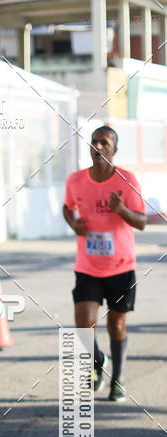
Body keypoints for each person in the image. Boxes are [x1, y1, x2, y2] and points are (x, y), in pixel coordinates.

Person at [63, 125, 147, 402]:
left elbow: (142, 222)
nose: (98, 147)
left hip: (121, 266)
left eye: (105, 143)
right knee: (84, 324)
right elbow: (68, 207)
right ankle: (98, 361)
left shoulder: (127, 180)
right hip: (87, 265)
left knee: (116, 325)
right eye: (94, 142)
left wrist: (120, 209)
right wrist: (74, 223)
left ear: (115, 149)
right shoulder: (76, 180)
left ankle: (118, 380)